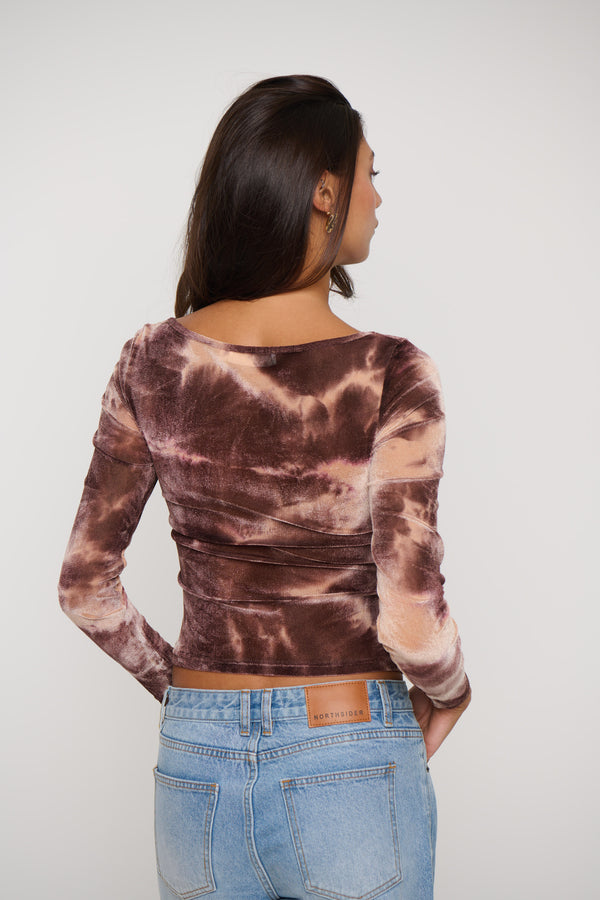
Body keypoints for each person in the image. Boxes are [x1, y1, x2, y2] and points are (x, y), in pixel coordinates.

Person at [58, 74, 471, 900]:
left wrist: (191, 695)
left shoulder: (151, 360)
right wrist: (451, 691)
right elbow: (410, 620)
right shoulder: (391, 372)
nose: (378, 197)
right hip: (346, 744)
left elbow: (84, 586)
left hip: (195, 762)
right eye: (369, 174)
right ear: (324, 191)